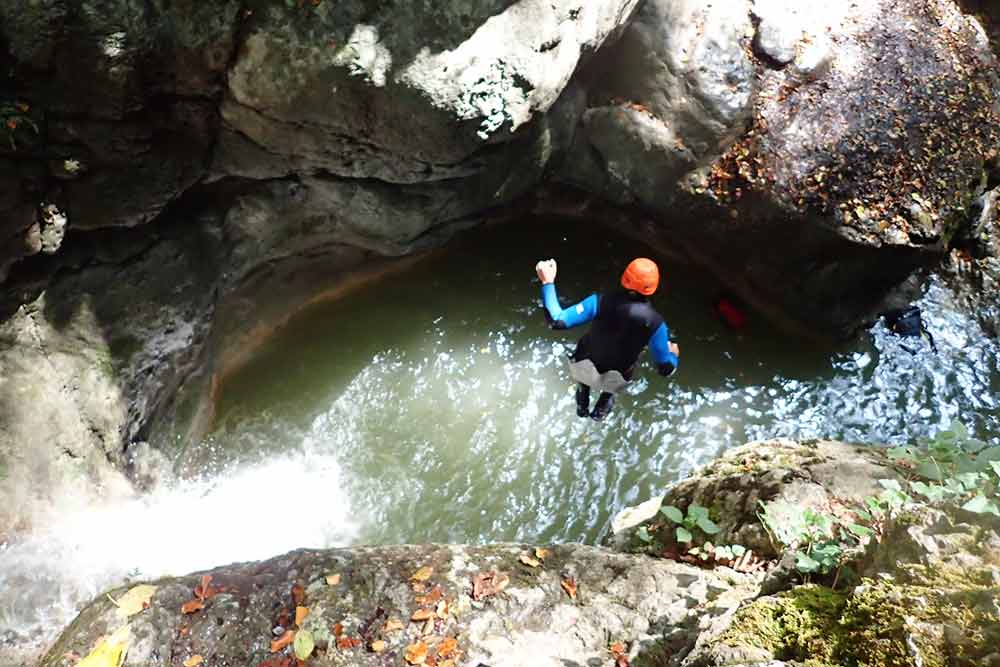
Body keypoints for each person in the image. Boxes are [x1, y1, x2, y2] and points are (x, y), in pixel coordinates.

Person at [535, 257, 680, 421]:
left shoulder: (599, 301)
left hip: (584, 362)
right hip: (618, 374)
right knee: (610, 391)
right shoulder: (655, 323)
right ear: (653, 289)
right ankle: (600, 412)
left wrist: (547, 281)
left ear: (624, 278)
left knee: (583, 384)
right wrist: (673, 354)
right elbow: (665, 368)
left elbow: (557, 320)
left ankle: (582, 407)